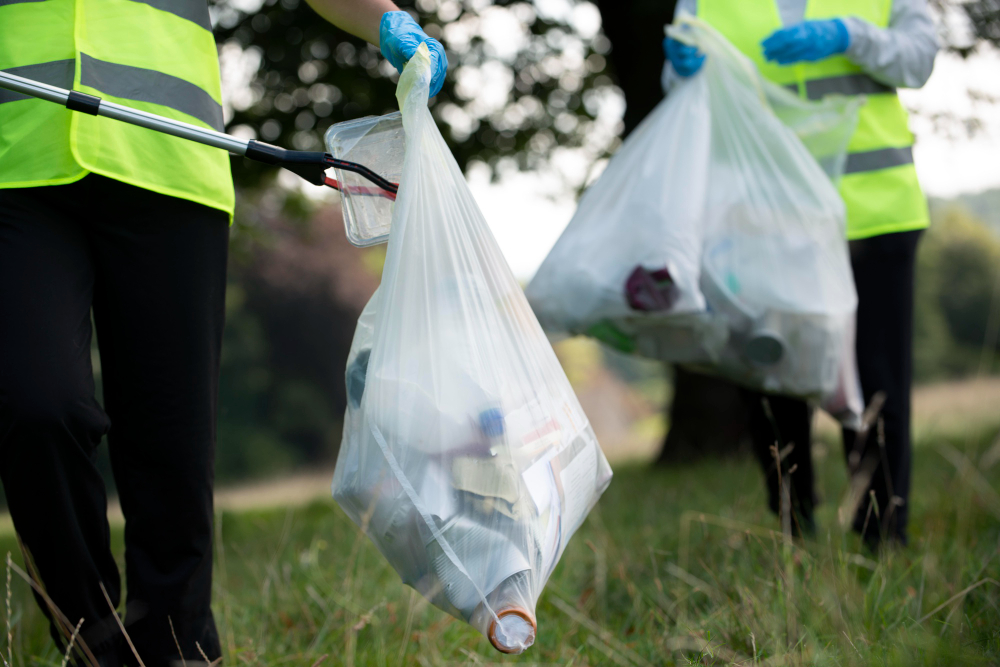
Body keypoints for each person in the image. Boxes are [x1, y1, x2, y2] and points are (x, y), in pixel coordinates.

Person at [0, 1, 445, 664]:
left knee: (171, 450)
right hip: (14, 161)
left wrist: (384, 19)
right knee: (29, 403)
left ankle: (177, 649)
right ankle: (91, 643)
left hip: (171, 162)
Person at [664, 0, 938, 547]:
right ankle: (795, 529)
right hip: (763, 221)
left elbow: (920, 59)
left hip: (871, 213)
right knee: (771, 378)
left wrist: (850, 35)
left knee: (876, 381)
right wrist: (681, 70)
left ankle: (881, 539)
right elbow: (677, 88)